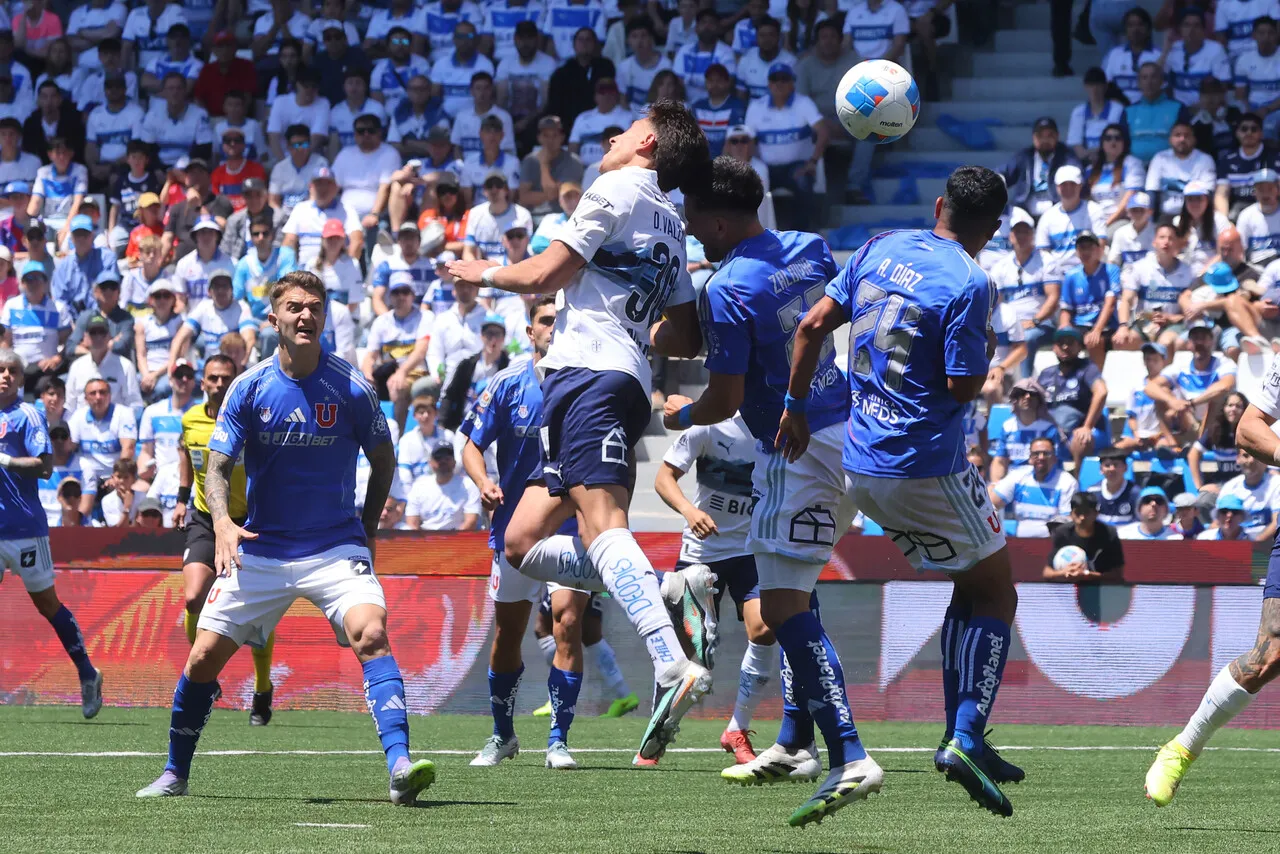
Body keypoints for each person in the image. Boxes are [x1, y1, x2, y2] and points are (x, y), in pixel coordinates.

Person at [447, 101, 715, 765]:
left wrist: (479, 273)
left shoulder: (613, 188)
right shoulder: (673, 224)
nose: (614, 136)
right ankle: (654, 588)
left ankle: (668, 656)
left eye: (623, 129)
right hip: (608, 378)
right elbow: (685, 334)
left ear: (646, 142)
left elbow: (542, 275)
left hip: (589, 376)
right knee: (519, 540)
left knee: (601, 525)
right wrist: (636, 324)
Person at [135, 271, 436, 803]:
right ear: (273, 318)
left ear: (324, 317)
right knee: (203, 657)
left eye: (315, 307)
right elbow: (218, 464)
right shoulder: (248, 387)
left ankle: (400, 766)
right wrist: (223, 524)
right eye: (294, 307)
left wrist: (367, 526)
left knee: (371, 633)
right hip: (262, 546)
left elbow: (383, 458)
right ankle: (174, 773)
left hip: (335, 545)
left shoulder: (352, 387)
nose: (305, 315)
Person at [779, 164, 1024, 818]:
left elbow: (808, 328)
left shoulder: (877, 246)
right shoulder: (970, 282)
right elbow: (964, 385)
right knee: (998, 590)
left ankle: (961, 732)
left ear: (939, 204)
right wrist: (991, 345)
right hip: (925, 465)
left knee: (966, 585)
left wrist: (795, 405)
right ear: (993, 227)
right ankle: (965, 737)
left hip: (861, 463)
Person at [652, 411, 774, 767]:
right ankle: (657, 731)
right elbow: (663, 478)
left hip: (750, 549)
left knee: (764, 628)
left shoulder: (775, 422)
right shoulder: (709, 425)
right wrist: (690, 512)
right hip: (701, 553)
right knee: (688, 656)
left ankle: (738, 728)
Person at [0, 348, 103, 714]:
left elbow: (45, 467)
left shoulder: (28, 414)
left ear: (21, 377)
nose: (5, 376)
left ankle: (88, 674)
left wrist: (6, 460)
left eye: (12, 370)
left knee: (47, 605)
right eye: (0, 370)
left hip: (26, 528)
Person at [1114, 220, 1194, 354]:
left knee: (1165, 343)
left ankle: (1163, 375)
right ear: (1154, 242)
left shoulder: (1187, 272)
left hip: (1173, 324)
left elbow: (1191, 310)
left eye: (1171, 238)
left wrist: (1173, 318)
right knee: (1121, 341)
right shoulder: (1140, 267)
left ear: (1178, 243)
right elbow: (1126, 300)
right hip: (1145, 323)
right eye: (1162, 237)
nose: (1166, 242)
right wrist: (1123, 326)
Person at [67, 376, 137, 519]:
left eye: (102, 392)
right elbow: (68, 447)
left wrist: (115, 477)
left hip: (116, 476)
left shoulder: (123, 413)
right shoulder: (79, 416)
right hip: (87, 478)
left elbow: (128, 448)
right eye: (93, 393)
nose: (98, 397)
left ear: (110, 396)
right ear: (86, 398)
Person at [1, 260, 72, 395]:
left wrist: (56, 359)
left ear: (46, 282)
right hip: (18, 368)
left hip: (46, 370)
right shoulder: (12, 305)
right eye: (29, 279)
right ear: (22, 283)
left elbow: (68, 340)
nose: (33, 282)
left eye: (38, 278)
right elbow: (5, 342)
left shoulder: (58, 308)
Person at [990, 436, 1079, 538]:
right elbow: (991, 505)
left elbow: (1066, 521)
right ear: (1030, 459)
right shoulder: (1017, 476)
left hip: (1051, 543)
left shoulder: (1067, 482)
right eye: (1036, 454)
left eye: (1046, 453)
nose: (1041, 457)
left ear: (1054, 458)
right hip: (1020, 543)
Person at [1057, 232, 1121, 367]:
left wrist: (1097, 330)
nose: (1085, 251)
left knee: (1094, 342)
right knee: (1062, 342)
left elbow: (1110, 304)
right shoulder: (1071, 276)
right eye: (1081, 248)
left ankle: (1095, 382)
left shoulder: (1110, 270)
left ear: (1099, 250)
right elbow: (1066, 309)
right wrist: (1064, 328)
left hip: (1106, 326)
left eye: (1089, 247)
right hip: (1080, 326)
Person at [1001, 117, 1080, 219]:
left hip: (1058, 213)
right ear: (1033, 137)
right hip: (1025, 215)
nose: (1045, 140)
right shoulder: (1024, 157)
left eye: (1050, 135)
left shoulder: (1065, 155)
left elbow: (1076, 171)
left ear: (1057, 136)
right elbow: (1004, 173)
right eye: (1040, 136)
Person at [65, 313, 144, 415]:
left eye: (102, 332)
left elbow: (135, 404)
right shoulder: (77, 367)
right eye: (93, 333)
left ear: (109, 336)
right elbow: (69, 405)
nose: (98, 337)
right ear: (85, 337)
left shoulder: (126, 366)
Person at [988, 379, 1060, 484]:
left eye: (1032, 394)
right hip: (1012, 480)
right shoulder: (1007, 427)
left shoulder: (1048, 428)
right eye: (1021, 393)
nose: (1027, 397)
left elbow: (1052, 463)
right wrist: (995, 485)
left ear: (1039, 400)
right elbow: (1000, 461)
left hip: (1039, 480)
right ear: (1014, 400)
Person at [1043, 492, 1124, 581]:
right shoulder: (1062, 533)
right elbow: (1047, 572)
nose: (1082, 517)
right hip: (1067, 589)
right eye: (1078, 512)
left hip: (1100, 589)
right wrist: (1064, 572)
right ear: (1071, 514)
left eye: (1087, 513)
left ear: (1096, 514)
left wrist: (1088, 575)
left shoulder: (1109, 534)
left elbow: (1117, 574)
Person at [1215, 447, 1280, 542]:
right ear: (1238, 459)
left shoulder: (1276, 484)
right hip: (1235, 545)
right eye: (1246, 456)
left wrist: (1254, 545)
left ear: (1266, 462)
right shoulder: (1230, 487)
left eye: (1257, 457)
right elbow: (1217, 522)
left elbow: (1277, 523)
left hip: (1267, 547)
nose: (1251, 460)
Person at [1189, 390, 1249, 491]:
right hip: (1222, 486)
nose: (1233, 409)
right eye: (1230, 405)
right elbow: (1193, 454)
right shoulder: (1214, 431)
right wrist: (1199, 487)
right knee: (1202, 502)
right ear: (1224, 408)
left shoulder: (1250, 432)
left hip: (1246, 485)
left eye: (1238, 406)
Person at [1116, 486, 1182, 539]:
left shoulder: (1175, 538)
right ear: (1139, 509)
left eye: (1159, 501)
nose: (1153, 504)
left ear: (1166, 510)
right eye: (1147, 500)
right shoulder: (1123, 535)